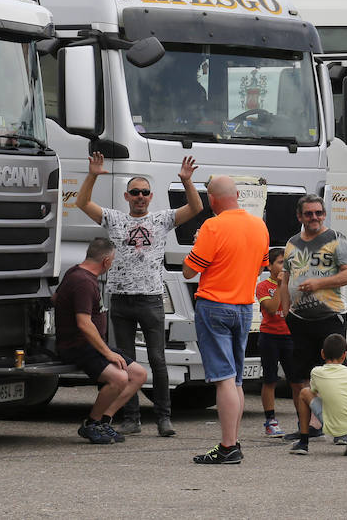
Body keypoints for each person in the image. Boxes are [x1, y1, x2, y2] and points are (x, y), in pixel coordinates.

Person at [74, 152, 201, 437]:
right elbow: (81, 203)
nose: (140, 197)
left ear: (151, 196)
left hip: (151, 299)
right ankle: (131, 418)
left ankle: (164, 418)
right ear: (127, 196)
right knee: (125, 360)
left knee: (157, 359)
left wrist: (187, 181)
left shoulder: (162, 219)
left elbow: (195, 207)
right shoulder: (114, 219)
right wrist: (93, 174)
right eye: (135, 193)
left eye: (144, 192)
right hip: (120, 299)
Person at [182, 175, 270, 464]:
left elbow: (188, 271)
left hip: (214, 305)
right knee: (236, 380)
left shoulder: (213, 226)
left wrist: (196, 244)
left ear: (212, 199)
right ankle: (233, 440)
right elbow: (260, 268)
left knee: (223, 379)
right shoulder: (259, 225)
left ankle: (228, 446)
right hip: (244, 307)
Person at [280, 195, 347, 455]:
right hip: (299, 320)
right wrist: (285, 310)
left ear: (324, 214)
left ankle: (342, 428)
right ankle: (308, 429)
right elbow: (286, 279)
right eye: (309, 214)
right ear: (299, 217)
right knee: (299, 378)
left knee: (335, 377)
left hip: (330, 317)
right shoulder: (291, 244)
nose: (314, 218)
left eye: (318, 213)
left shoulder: (337, 238)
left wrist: (318, 284)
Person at [53, 238, 149, 445]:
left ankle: (104, 421)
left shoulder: (76, 273)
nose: (112, 264)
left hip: (93, 346)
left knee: (139, 375)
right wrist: (107, 352)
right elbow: (84, 323)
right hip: (78, 346)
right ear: (106, 261)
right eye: (112, 260)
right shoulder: (83, 282)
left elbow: (55, 298)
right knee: (119, 378)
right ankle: (91, 423)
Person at [296, 333, 347, 456]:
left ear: (322, 353)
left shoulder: (316, 372)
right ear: (345, 355)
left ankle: (303, 443)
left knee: (304, 393)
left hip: (333, 425)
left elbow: (313, 393)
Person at [256, 247, 297, 438]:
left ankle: (304, 421)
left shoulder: (293, 284)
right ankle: (270, 421)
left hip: (290, 336)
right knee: (270, 380)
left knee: (297, 381)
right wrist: (280, 286)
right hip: (269, 336)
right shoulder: (263, 286)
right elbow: (272, 309)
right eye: (280, 262)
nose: (283, 266)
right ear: (270, 265)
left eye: (286, 263)